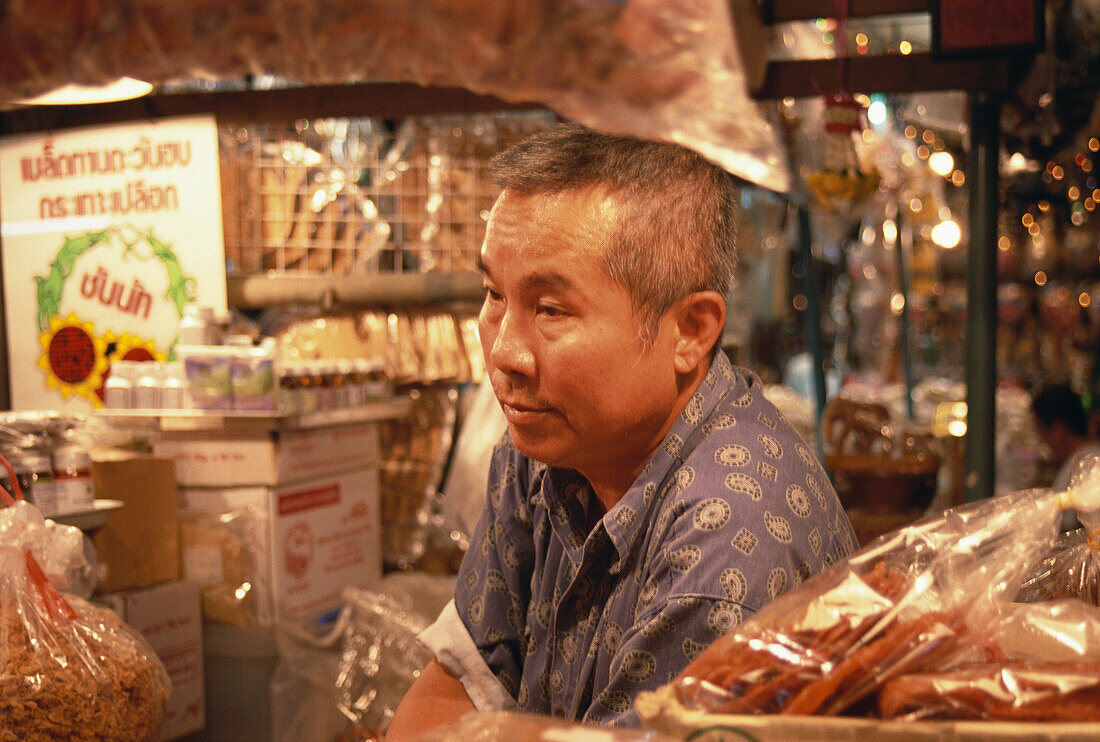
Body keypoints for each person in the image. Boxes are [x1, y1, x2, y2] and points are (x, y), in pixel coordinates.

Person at [386, 123, 857, 738]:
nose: (504, 353)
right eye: (493, 294)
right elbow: (461, 678)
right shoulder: (548, 443)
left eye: (550, 310)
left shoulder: (727, 540)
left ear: (690, 330)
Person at [1031, 383, 1100, 530]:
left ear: (1058, 429)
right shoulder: (1086, 457)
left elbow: (1067, 527)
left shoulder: (1087, 464)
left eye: (1040, 431)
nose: (1042, 440)